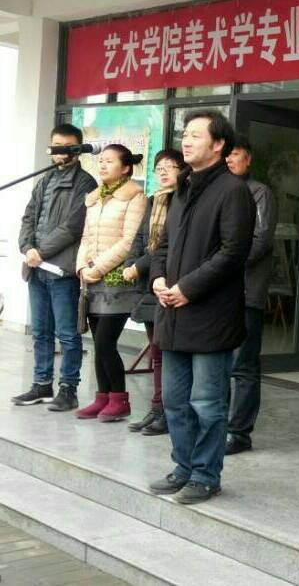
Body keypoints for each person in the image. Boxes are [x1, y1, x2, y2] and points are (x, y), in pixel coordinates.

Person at [148, 110, 255, 505]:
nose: (187, 140)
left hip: (211, 316)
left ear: (218, 144)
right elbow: (163, 244)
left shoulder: (233, 190)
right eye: (185, 134)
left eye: (196, 135)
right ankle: (184, 466)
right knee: (175, 401)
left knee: (207, 403)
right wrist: (158, 278)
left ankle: (206, 476)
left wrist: (188, 288)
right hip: (173, 312)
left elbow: (233, 253)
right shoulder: (182, 187)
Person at [14, 124, 97, 411]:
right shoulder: (45, 179)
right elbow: (28, 217)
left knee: (67, 334)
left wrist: (41, 251)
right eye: (56, 146)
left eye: (66, 146)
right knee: (40, 331)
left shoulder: (85, 183)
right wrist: (27, 248)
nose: (60, 151)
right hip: (36, 269)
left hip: (62, 271)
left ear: (77, 149)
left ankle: (68, 388)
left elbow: (73, 226)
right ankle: (41, 384)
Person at [75, 144, 147, 422]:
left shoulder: (135, 197)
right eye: (101, 161)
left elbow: (129, 241)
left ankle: (120, 399)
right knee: (98, 343)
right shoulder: (94, 198)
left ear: (126, 167)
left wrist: (98, 267)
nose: (102, 165)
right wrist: (83, 267)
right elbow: (85, 237)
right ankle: (102, 398)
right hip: (92, 281)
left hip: (118, 283)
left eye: (109, 161)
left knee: (106, 342)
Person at [123, 148, 185, 436]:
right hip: (148, 284)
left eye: (170, 166)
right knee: (156, 353)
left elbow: (167, 245)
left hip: (169, 284)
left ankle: (170, 412)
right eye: (159, 167)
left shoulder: (183, 200)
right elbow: (140, 237)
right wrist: (130, 264)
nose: (163, 171)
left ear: (182, 171)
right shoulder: (154, 200)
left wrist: (139, 266)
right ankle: (157, 408)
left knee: (169, 353)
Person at [225, 134, 277, 455]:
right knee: (218, 364)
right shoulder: (219, 191)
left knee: (243, 365)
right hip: (217, 292)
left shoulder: (259, 193)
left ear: (249, 159)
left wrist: (222, 265)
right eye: (226, 154)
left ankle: (239, 433)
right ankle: (217, 425)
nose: (230, 160)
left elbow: (260, 240)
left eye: (236, 154)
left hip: (246, 292)